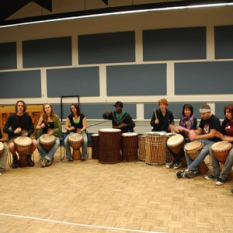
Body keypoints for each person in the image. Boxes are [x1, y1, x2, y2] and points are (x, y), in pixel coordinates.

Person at [176, 104, 220, 178]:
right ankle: (193, 170)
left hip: (214, 142)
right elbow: (199, 131)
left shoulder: (214, 120)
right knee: (187, 146)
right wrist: (191, 131)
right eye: (201, 114)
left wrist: (197, 137)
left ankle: (189, 169)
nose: (202, 116)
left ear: (209, 112)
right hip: (204, 140)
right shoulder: (203, 119)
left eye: (203, 114)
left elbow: (212, 134)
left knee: (204, 150)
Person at [3, 100, 37, 168]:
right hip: (14, 137)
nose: (20, 107)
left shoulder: (28, 117)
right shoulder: (11, 117)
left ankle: (29, 157)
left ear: (24, 107)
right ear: (16, 107)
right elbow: (5, 129)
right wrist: (14, 131)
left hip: (26, 137)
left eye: (22, 106)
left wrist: (27, 133)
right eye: (19, 106)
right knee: (11, 146)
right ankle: (15, 159)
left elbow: (32, 129)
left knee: (35, 143)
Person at [205, 104, 233, 185]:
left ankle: (223, 176)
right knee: (211, 148)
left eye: (228, 112)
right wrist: (219, 135)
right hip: (227, 143)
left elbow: (227, 137)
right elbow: (222, 134)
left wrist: (228, 138)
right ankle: (215, 173)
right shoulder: (226, 122)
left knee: (232, 154)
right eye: (225, 112)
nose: (226, 114)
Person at [166, 104, 197, 169]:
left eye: (189, 110)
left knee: (184, 147)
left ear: (191, 111)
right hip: (182, 138)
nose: (187, 111)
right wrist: (173, 128)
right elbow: (180, 132)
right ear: (183, 111)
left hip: (190, 140)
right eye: (186, 110)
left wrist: (184, 129)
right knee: (170, 146)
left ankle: (174, 161)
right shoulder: (182, 119)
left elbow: (193, 132)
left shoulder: (194, 119)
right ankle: (178, 161)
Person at [36, 103, 61, 167]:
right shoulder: (42, 117)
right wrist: (41, 126)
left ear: (51, 108)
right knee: (36, 143)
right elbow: (37, 127)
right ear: (44, 109)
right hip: (44, 136)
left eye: (48, 107)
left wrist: (53, 131)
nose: (47, 109)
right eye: (46, 108)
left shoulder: (55, 117)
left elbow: (59, 128)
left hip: (54, 136)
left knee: (57, 142)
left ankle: (45, 158)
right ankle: (47, 158)